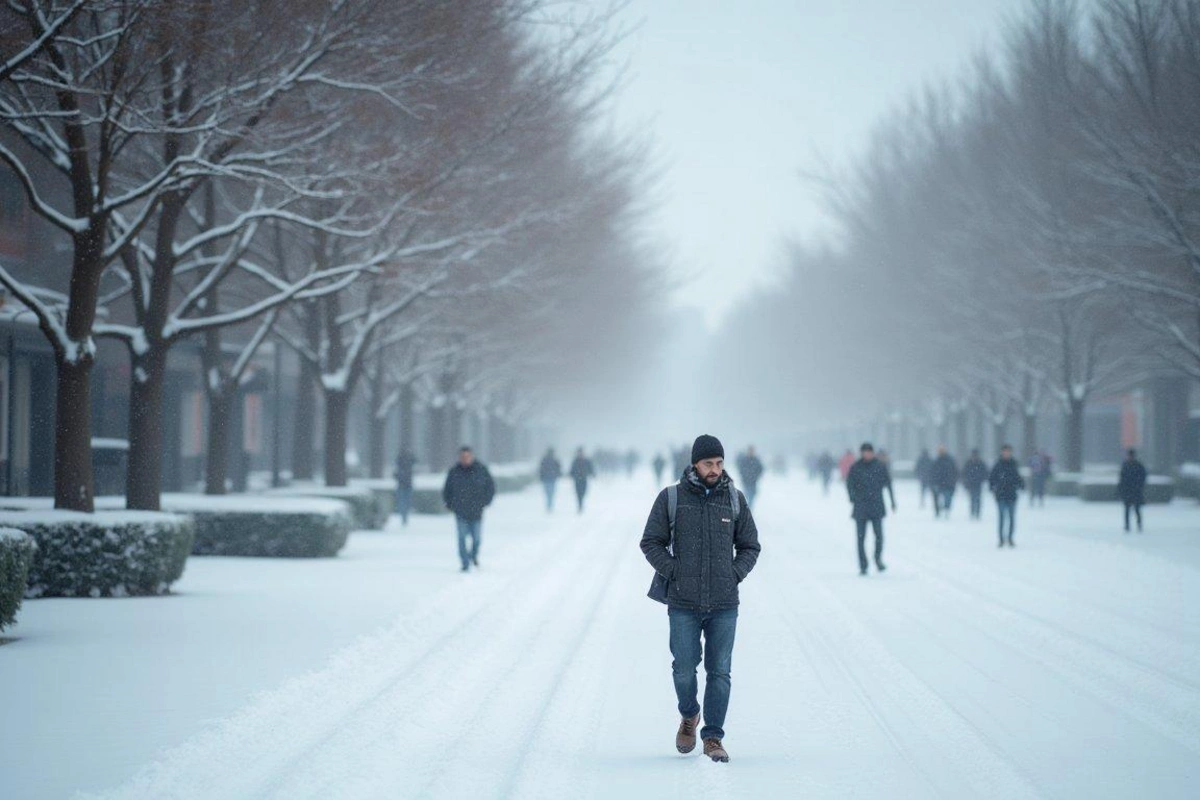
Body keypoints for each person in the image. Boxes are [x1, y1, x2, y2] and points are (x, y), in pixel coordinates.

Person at [640, 434, 761, 764]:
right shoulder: (672, 498)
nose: (715, 469)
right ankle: (689, 714)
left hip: (724, 604)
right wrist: (674, 570)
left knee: (720, 672)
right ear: (694, 463)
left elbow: (750, 545)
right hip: (683, 603)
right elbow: (651, 541)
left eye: (720, 463)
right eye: (709, 463)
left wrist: (734, 573)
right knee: (683, 669)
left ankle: (713, 738)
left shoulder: (734, 499)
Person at [442, 447, 495, 572]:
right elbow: (447, 489)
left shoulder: (481, 470)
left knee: (476, 539)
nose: (465, 459)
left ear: (472, 456)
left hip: (476, 511)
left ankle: (473, 555)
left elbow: (490, 487)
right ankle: (465, 562)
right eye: (463, 457)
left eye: (467, 456)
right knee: (461, 538)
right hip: (460, 511)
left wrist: (485, 501)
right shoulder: (454, 472)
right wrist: (449, 504)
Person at [846, 442, 895, 576]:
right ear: (862, 453)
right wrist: (852, 497)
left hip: (876, 506)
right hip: (861, 507)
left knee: (879, 536)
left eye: (869, 451)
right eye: (865, 452)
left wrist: (893, 501)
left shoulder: (880, 466)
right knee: (860, 539)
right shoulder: (856, 467)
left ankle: (877, 558)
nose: (867, 454)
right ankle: (863, 565)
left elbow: (888, 484)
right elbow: (849, 483)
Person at [988, 444, 1025, 547]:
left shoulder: (1014, 464)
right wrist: (992, 487)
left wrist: (1021, 485)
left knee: (1012, 518)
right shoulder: (998, 464)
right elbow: (992, 477)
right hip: (1000, 495)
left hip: (1012, 495)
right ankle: (1001, 539)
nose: (1006, 454)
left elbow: (1017, 477)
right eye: (1005, 451)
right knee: (1001, 518)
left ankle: (1010, 538)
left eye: (1008, 452)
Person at [1118, 449, 1147, 533]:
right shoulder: (1126, 465)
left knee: (1137, 510)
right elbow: (1122, 479)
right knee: (1127, 510)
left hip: (1135, 491)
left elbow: (1142, 478)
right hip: (1128, 491)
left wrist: (1138, 486)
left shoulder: (1137, 465)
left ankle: (1139, 525)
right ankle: (1127, 526)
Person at [929, 446, 959, 518]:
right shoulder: (937, 461)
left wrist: (953, 481)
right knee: (937, 498)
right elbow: (932, 473)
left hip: (948, 484)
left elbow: (954, 472)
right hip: (939, 483)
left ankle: (946, 510)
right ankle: (939, 511)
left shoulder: (949, 461)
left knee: (947, 498)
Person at [961, 449, 988, 520]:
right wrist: (966, 482)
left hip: (978, 484)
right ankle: (973, 512)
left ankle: (977, 513)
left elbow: (985, 473)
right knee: (972, 499)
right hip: (971, 484)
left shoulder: (981, 463)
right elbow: (964, 473)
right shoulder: (968, 463)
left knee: (978, 499)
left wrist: (982, 479)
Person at [393, 447, 417, 527]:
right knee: (405, 502)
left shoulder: (401, 462)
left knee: (403, 502)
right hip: (406, 485)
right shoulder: (407, 462)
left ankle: (404, 516)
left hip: (403, 485)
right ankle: (404, 516)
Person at [569, 447, 596, 514]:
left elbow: (590, 468)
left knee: (583, 492)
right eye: (579, 452)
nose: (580, 454)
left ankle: (581, 502)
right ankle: (580, 505)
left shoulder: (586, 460)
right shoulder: (575, 461)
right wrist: (571, 475)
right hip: (577, 479)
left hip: (584, 479)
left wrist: (593, 474)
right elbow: (572, 470)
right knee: (578, 493)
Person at [538, 448, 562, 513]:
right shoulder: (554, 460)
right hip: (551, 479)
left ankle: (549, 505)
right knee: (551, 492)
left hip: (547, 479)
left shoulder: (545, 460)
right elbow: (558, 469)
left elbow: (541, 469)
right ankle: (550, 504)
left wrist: (541, 477)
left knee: (548, 493)